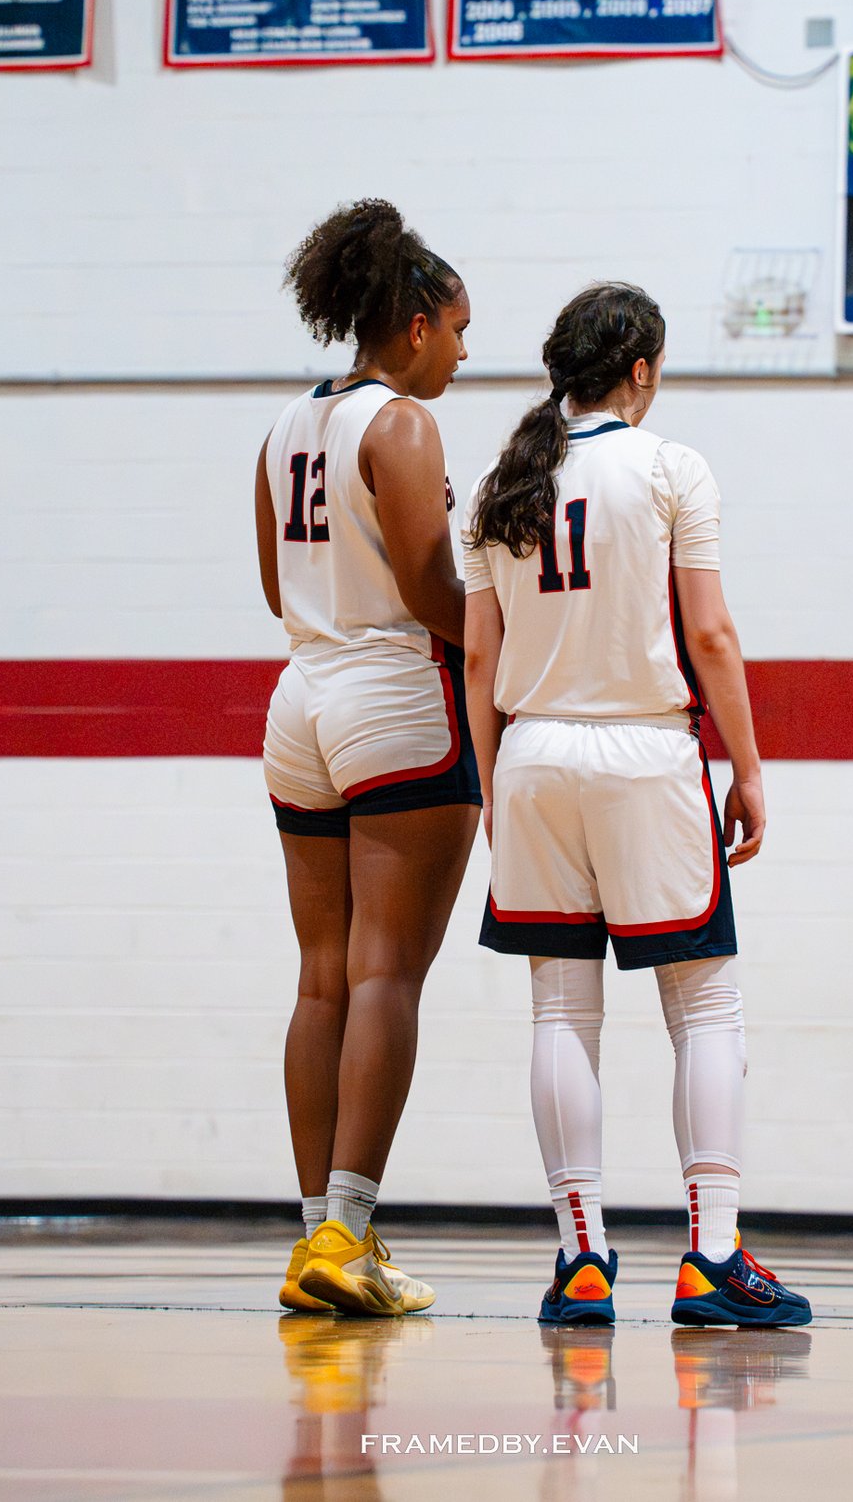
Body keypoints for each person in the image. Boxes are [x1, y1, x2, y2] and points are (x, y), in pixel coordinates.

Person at [462, 282, 811, 1329]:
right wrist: (749, 767)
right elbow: (710, 635)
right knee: (704, 1008)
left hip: (531, 754)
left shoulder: (498, 485)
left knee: (560, 1011)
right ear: (642, 369)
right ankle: (711, 1255)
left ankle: (581, 1258)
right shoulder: (670, 468)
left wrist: (491, 782)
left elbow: (477, 657)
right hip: (646, 753)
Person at [256, 199, 480, 1317]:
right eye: (459, 330)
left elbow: (274, 590)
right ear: (416, 324)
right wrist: (511, 641)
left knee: (321, 976)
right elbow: (432, 594)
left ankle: (321, 1238)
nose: (464, 353)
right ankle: (348, 1231)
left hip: (300, 698)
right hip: (391, 694)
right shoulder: (402, 424)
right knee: (387, 972)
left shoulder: (283, 426)